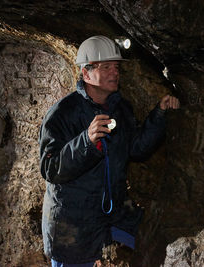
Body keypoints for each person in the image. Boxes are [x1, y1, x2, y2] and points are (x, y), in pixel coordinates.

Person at [39, 35, 180, 266]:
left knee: (153, 242)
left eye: (116, 67)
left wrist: (159, 115)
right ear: (86, 73)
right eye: (106, 68)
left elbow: (136, 149)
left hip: (113, 212)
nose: (115, 73)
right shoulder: (62, 114)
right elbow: (50, 168)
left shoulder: (120, 107)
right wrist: (86, 140)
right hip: (73, 221)